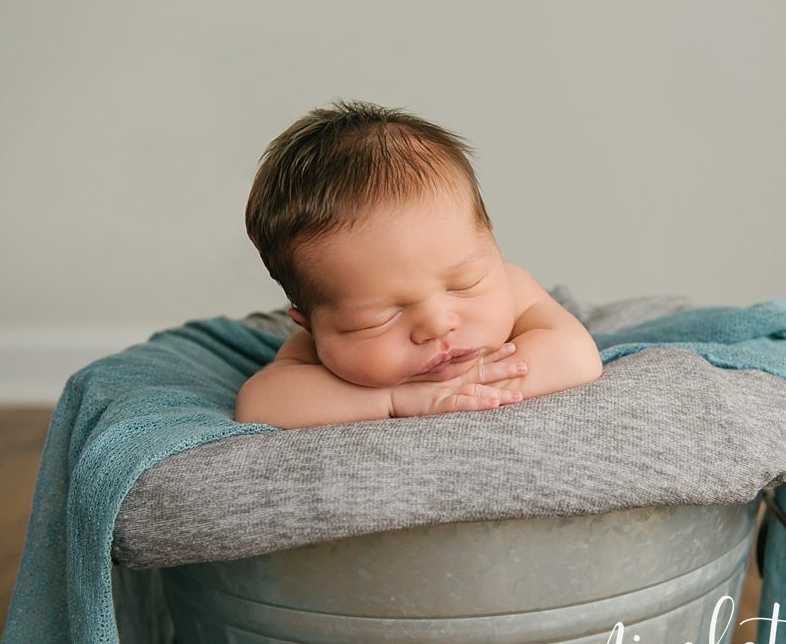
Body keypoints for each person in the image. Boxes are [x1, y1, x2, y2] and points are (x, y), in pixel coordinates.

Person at [235, 101, 603, 429]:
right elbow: (260, 404)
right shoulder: (310, 350)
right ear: (311, 327)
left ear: (491, 244)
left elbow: (576, 356)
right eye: (378, 319)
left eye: (464, 284)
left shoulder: (514, 287)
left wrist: (471, 383)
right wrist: (394, 399)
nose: (438, 325)